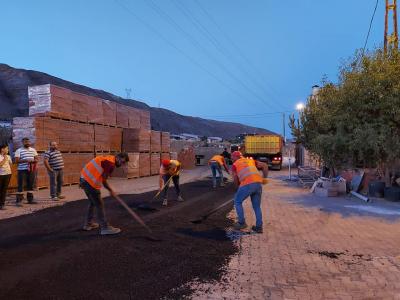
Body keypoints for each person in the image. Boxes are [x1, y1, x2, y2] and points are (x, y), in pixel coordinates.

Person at [80, 152, 129, 235]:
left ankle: (88, 224)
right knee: (99, 204)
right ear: (117, 157)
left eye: (124, 163)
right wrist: (111, 190)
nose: (122, 165)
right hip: (90, 182)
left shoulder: (108, 158)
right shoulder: (110, 163)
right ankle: (105, 228)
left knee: (92, 202)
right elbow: (104, 180)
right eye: (122, 162)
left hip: (84, 179)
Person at [231, 151, 269, 233]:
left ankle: (241, 223)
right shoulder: (250, 160)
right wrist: (265, 178)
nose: (231, 159)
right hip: (258, 184)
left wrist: (237, 188)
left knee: (237, 201)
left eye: (232, 157)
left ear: (235, 157)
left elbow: (235, 178)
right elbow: (265, 165)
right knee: (256, 206)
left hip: (247, 184)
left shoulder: (235, 164)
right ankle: (259, 227)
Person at [14, 138, 38, 206]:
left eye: (28, 141)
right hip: (22, 170)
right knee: (20, 185)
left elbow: (36, 158)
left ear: (29, 142)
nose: (27, 143)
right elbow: (16, 161)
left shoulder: (33, 150)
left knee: (30, 184)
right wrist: (26, 160)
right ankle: (19, 201)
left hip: (31, 170)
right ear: (22, 143)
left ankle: (30, 199)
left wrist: (34, 160)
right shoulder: (19, 150)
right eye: (25, 142)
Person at [0, 144, 12, 210]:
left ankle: (2, 204)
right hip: (0, 175)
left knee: (4, 190)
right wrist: (4, 158)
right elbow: (0, 165)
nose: (7, 150)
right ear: (2, 149)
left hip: (8, 174)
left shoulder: (8, 156)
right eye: (6, 148)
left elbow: (10, 164)